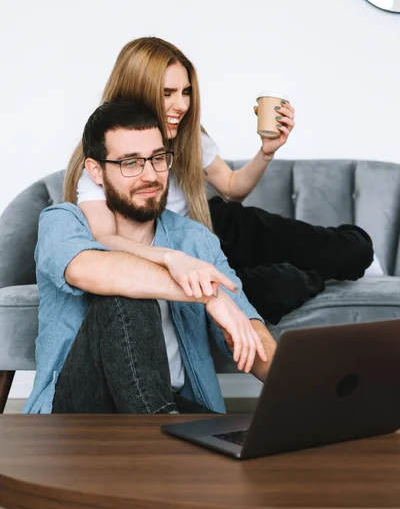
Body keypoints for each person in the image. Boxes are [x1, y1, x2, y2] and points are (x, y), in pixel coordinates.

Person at [64, 37, 374, 324]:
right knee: (282, 287)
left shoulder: (188, 138)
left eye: (186, 92)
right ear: (137, 91)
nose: (182, 105)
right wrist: (174, 258)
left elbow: (233, 189)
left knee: (355, 251)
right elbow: (103, 240)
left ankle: (338, 262)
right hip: (183, 255)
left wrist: (266, 152)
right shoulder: (106, 156)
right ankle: (313, 273)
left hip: (216, 225)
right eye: (167, 93)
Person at [24, 100, 276, 415]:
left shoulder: (193, 240)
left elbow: (247, 327)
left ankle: (173, 443)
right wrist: (207, 296)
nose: (150, 175)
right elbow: (86, 270)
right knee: (126, 297)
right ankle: (166, 450)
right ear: (95, 171)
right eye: (130, 163)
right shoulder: (63, 222)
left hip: (167, 402)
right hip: (80, 412)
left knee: (246, 443)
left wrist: (303, 390)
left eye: (158, 158)